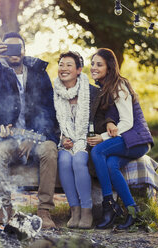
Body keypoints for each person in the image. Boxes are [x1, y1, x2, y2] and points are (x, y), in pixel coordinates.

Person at [0, 32, 59, 229]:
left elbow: (49, 109)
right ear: (2, 51)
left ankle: (44, 211)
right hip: (10, 138)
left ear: (24, 50)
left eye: (18, 48)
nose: (14, 52)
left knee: (50, 150)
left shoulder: (39, 72)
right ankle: (6, 208)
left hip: (38, 137)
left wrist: (33, 138)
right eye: (8, 48)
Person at [87, 48, 154, 229]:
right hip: (130, 139)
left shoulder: (119, 84)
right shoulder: (106, 86)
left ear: (109, 67)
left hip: (137, 139)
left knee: (98, 150)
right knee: (111, 164)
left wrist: (102, 137)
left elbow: (127, 122)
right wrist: (108, 123)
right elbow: (112, 115)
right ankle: (133, 212)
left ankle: (109, 205)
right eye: (92, 63)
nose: (94, 67)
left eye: (99, 64)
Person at [54, 51, 92, 229]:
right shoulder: (53, 92)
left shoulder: (91, 91)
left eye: (69, 65)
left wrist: (86, 138)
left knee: (78, 160)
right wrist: (62, 139)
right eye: (61, 64)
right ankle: (74, 210)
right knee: (63, 160)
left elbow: (99, 119)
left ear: (79, 70)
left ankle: (86, 210)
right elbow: (49, 121)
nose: (64, 68)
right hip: (65, 141)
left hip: (87, 141)